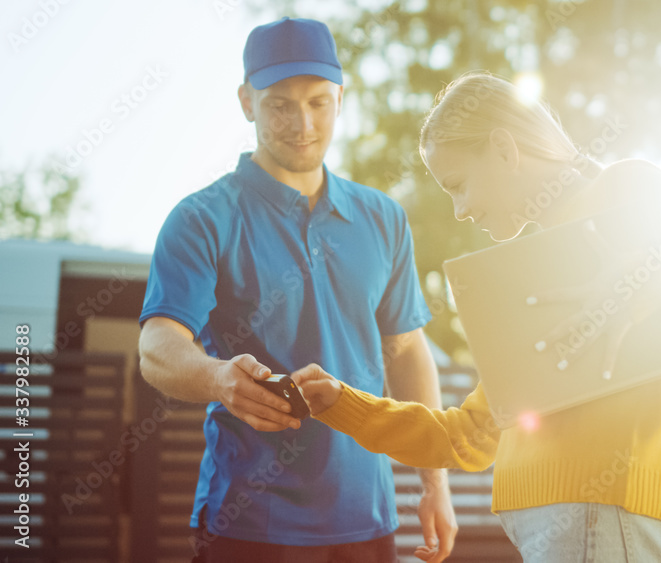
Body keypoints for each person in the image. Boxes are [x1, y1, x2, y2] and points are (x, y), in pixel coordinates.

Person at [291, 72, 661, 562]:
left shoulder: (623, 190)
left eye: (459, 184)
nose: (460, 210)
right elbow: (466, 436)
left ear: (505, 149)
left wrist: (640, 285)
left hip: (608, 513)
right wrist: (341, 404)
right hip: (561, 529)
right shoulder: (529, 280)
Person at [137, 17, 457, 563]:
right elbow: (157, 347)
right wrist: (218, 377)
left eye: (317, 102)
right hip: (249, 521)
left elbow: (406, 351)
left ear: (339, 98)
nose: (302, 122)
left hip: (368, 517)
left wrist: (436, 480)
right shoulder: (202, 219)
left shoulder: (383, 219)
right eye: (279, 104)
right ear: (246, 101)